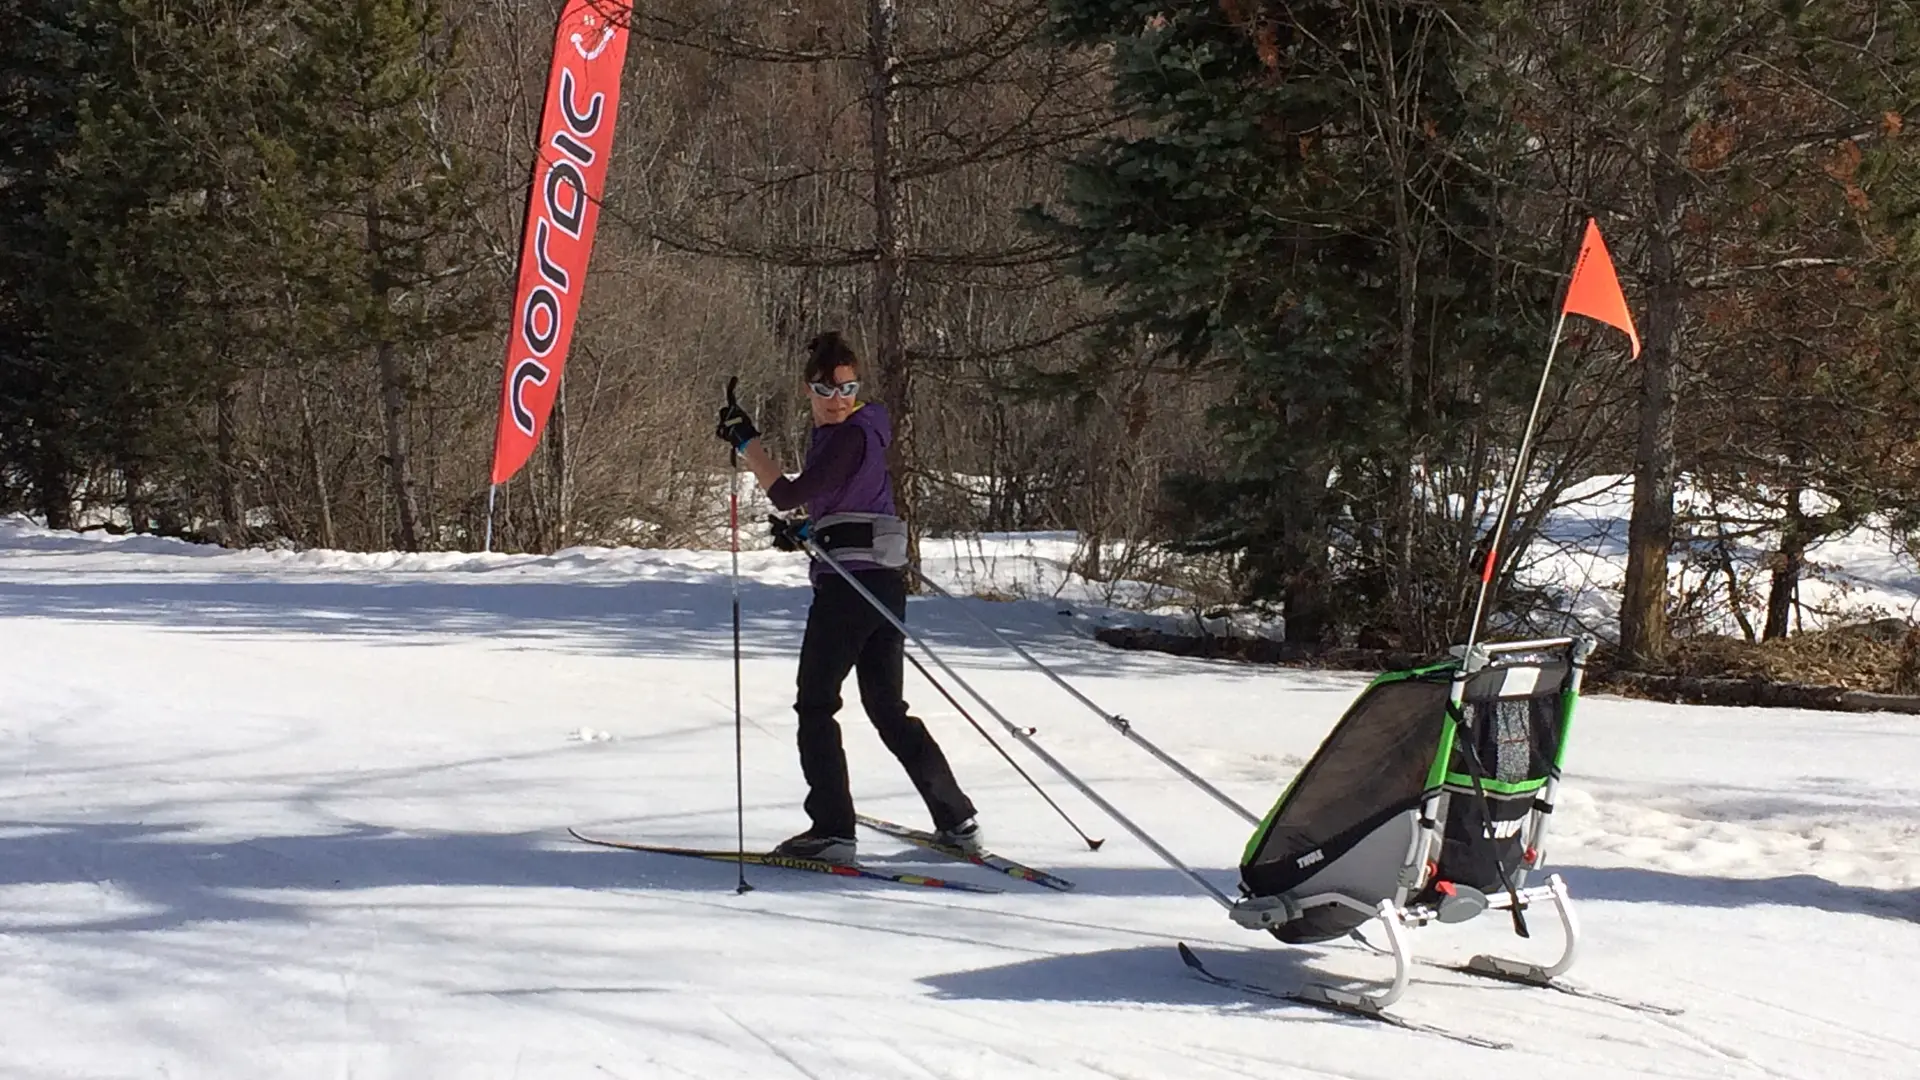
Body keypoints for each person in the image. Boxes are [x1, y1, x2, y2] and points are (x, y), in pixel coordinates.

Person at [715, 332, 980, 865]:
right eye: (827, 389)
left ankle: (833, 829)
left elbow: (788, 493)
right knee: (886, 707)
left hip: (849, 588)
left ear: (857, 389)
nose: (837, 399)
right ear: (809, 389)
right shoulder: (856, 433)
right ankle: (957, 819)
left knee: (816, 704)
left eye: (847, 389)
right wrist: (810, 532)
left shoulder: (850, 436)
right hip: (878, 582)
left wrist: (749, 447)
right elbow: (843, 506)